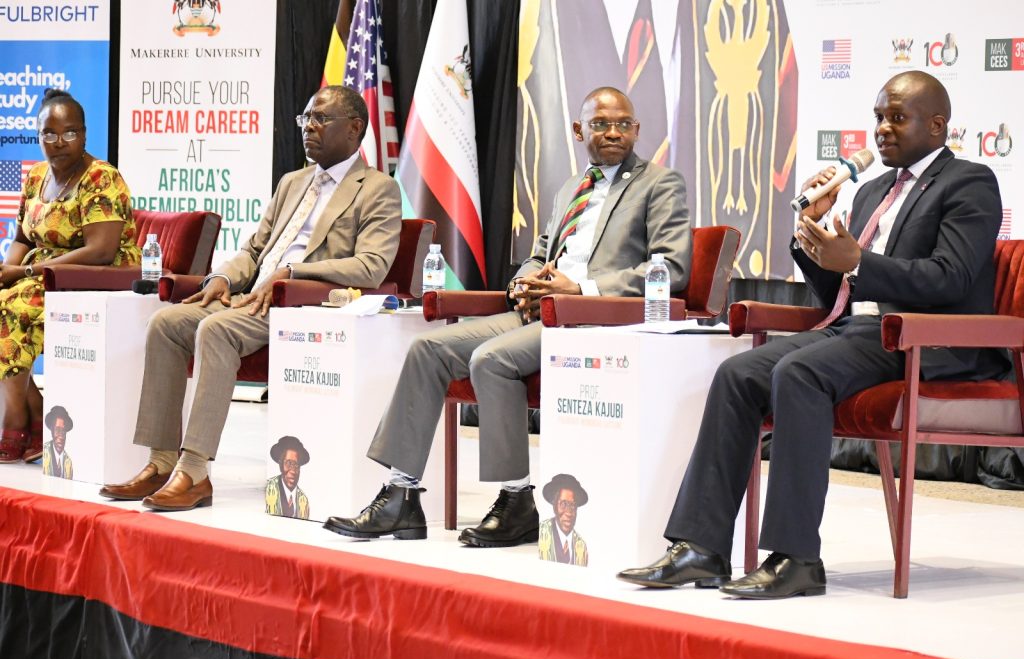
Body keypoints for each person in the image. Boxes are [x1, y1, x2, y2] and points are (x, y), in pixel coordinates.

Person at [617, 71, 1008, 599]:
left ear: (937, 125)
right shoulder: (870, 191)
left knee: (798, 372)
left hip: (923, 340)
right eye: (878, 118)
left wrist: (859, 261)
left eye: (897, 117)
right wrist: (813, 242)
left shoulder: (969, 181)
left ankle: (795, 558)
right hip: (858, 329)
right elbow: (838, 292)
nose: (883, 130)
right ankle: (700, 549)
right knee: (738, 373)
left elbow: (951, 276)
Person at [323, 86, 691, 546]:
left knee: (490, 360)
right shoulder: (570, 190)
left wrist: (580, 289)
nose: (613, 132)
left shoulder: (659, 183)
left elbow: (670, 268)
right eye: (600, 124)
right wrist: (527, 282)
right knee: (428, 349)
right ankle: (401, 497)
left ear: (637, 130)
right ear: (579, 131)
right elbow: (540, 255)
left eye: (623, 124)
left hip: (594, 318)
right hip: (542, 312)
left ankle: (516, 500)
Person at [99, 85, 402, 511]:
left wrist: (293, 273)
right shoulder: (292, 182)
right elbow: (255, 251)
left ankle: (195, 471)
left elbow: (371, 266)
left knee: (216, 329)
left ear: (355, 129)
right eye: (305, 119)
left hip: (304, 304)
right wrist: (222, 277)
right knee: (166, 324)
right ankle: (161, 460)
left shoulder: (377, 188)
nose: (309, 128)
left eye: (320, 120)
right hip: (256, 297)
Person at [0, 89, 140, 464]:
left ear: (84, 134)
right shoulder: (36, 177)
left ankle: (15, 419)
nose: (59, 142)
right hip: (41, 274)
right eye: (49, 133)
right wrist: (4, 272)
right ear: (38, 134)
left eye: (70, 133)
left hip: (94, 276)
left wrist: (24, 271)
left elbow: (101, 250)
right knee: (7, 296)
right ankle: (34, 413)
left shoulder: (102, 178)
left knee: (15, 307)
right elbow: (21, 238)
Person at [538, 474, 589, 566]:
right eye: (563, 504)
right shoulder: (539, 534)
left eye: (573, 505)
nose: (569, 513)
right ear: (555, 506)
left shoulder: (581, 546)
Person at [265, 436, 311, 519]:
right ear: (280, 464)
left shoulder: (303, 500)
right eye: (289, 463)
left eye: (296, 465)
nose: (293, 471)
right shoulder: (267, 489)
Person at [41, 405, 74, 479]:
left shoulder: (68, 462)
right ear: (52, 431)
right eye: (57, 430)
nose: (61, 436)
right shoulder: (44, 452)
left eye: (63, 431)